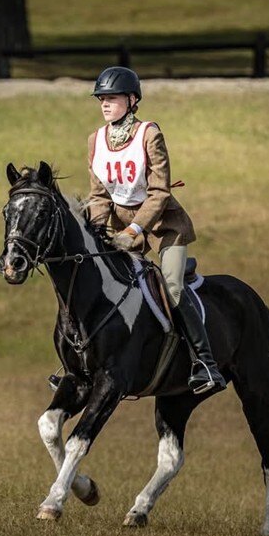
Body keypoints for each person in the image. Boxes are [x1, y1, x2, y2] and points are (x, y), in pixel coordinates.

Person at [86, 66, 226, 395]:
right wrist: (95, 232)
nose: (104, 104)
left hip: (162, 226)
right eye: (101, 99)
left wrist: (135, 229)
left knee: (173, 287)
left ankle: (204, 363)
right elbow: (98, 196)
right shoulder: (95, 141)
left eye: (112, 98)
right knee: (98, 284)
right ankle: (82, 365)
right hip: (120, 230)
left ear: (132, 100)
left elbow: (159, 192)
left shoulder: (149, 134)